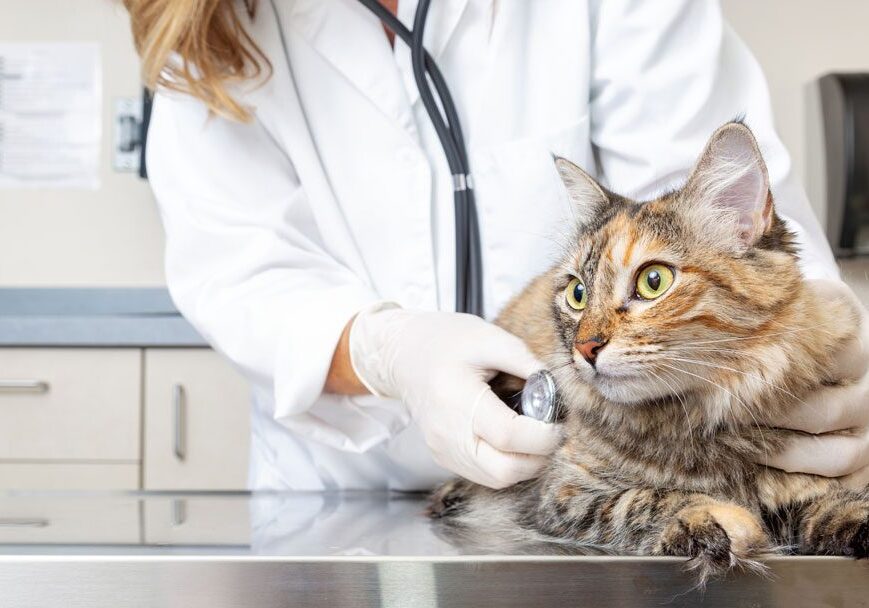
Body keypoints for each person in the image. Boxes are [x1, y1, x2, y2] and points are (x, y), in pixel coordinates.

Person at [125, 0, 869, 491]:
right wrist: (394, 353)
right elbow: (241, 273)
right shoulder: (202, 21)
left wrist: (803, 341)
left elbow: (711, 201)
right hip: (347, 494)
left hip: (607, 483)